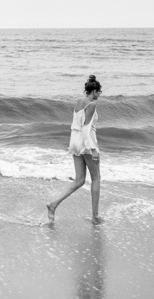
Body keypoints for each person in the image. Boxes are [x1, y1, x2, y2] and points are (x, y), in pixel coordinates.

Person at [47, 75, 102, 223]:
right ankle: (95, 217)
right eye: (99, 92)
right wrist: (93, 149)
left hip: (74, 141)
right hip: (86, 142)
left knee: (79, 180)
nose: (99, 95)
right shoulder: (91, 105)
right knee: (96, 178)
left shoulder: (79, 101)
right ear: (94, 91)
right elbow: (86, 129)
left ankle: (53, 204)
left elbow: (78, 124)